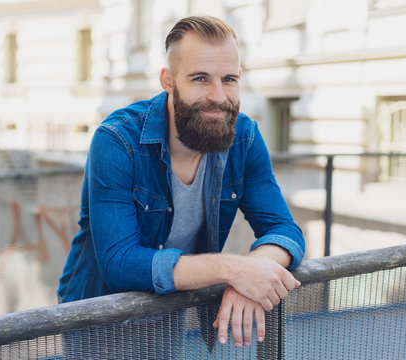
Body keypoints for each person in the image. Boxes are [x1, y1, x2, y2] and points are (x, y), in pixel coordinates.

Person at [57, 15, 305, 350]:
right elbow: (120, 262)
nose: (218, 96)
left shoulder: (244, 138)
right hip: (98, 317)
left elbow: (285, 230)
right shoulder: (117, 139)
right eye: (200, 78)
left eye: (229, 79)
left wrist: (253, 273)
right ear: (168, 81)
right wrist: (233, 268)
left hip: (167, 310)